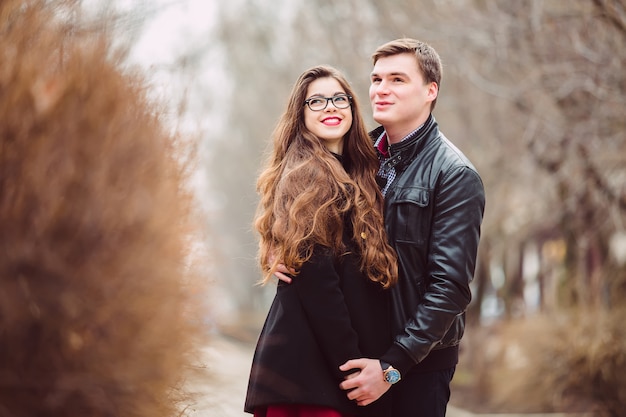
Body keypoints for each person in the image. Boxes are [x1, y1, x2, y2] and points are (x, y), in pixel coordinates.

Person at [277, 39, 486, 417]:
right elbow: (316, 225)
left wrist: (392, 367)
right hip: (358, 352)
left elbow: (450, 288)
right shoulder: (358, 157)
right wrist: (286, 249)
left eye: (397, 79)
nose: (381, 89)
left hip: (416, 365)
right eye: (376, 79)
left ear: (430, 91)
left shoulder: (454, 175)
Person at [244, 65, 399, 417]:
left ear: (352, 108)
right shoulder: (308, 176)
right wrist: (353, 368)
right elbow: (320, 285)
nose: (330, 107)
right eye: (316, 101)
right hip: (313, 378)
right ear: (300, 116)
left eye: (338, 98)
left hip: (321, 374)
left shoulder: (357, 171)